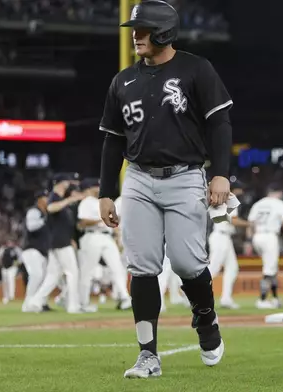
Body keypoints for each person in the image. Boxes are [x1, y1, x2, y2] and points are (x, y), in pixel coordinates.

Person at [97, 0, 233, 378]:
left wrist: (221, 174)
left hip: (185, 175)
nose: (136, 36)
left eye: (142, 30)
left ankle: (205, 319)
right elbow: (112, 140)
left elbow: (220, 124)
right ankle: (147, 355)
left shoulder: (196, 69)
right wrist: (106, 191)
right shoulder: (123, 80)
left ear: (164, 32)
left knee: (188, 264)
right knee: (142, 267)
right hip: (138, 178)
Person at [32, 173, 85, 313]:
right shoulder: (54, 196)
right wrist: (69, 200)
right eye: (66, 181)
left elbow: (61, 223)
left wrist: (71, 239)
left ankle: (35, 301)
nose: (68, 184)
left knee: (53, 275)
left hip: (60, 241)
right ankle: (73, 306)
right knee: (72, 272)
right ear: (61, 183)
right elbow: (50, 208)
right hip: (60, 242)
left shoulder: (60, 198)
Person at [77, 178, 131, 311]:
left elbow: (113, 223)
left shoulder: (101, 202)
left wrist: (117, 236)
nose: (99, 189)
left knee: (117, 267)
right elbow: (82, 222)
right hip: (92, 236)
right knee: (88, 271)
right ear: (90, 188)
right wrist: (100, 220)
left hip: (107, 237)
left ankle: (124, 298)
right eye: (97, 187)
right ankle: (83, 303)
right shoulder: (86, 202)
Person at [247, 185, 283, 310]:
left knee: (272, 268)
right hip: (270, 237)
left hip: (257, 236)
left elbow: (251, 224)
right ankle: (262, 299)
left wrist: (249, 241)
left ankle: (275, 298)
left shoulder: (258, 204)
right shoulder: (280, 204)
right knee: (269, 270)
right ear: (277, 192)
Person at [207, 181, 250, 309]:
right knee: (213, 268)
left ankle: (226, 298)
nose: (241, 193)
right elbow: (234, 221)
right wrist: (250, 224)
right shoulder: (230, 198)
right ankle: (191, 294)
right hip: (221, 236)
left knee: (232, 267)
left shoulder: (222, 198)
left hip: (223, 236)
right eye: (240, 190)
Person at [21, 191, 52, 312]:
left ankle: (41, 303)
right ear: (39, 199)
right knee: (36, 275)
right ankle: (28, 303)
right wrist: (45, 220)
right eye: (45, 197)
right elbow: (31, 226)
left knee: (44, 278)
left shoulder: (46, 213)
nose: (48, 199)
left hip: (43, 251)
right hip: (32, 249)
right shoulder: (34, 211)